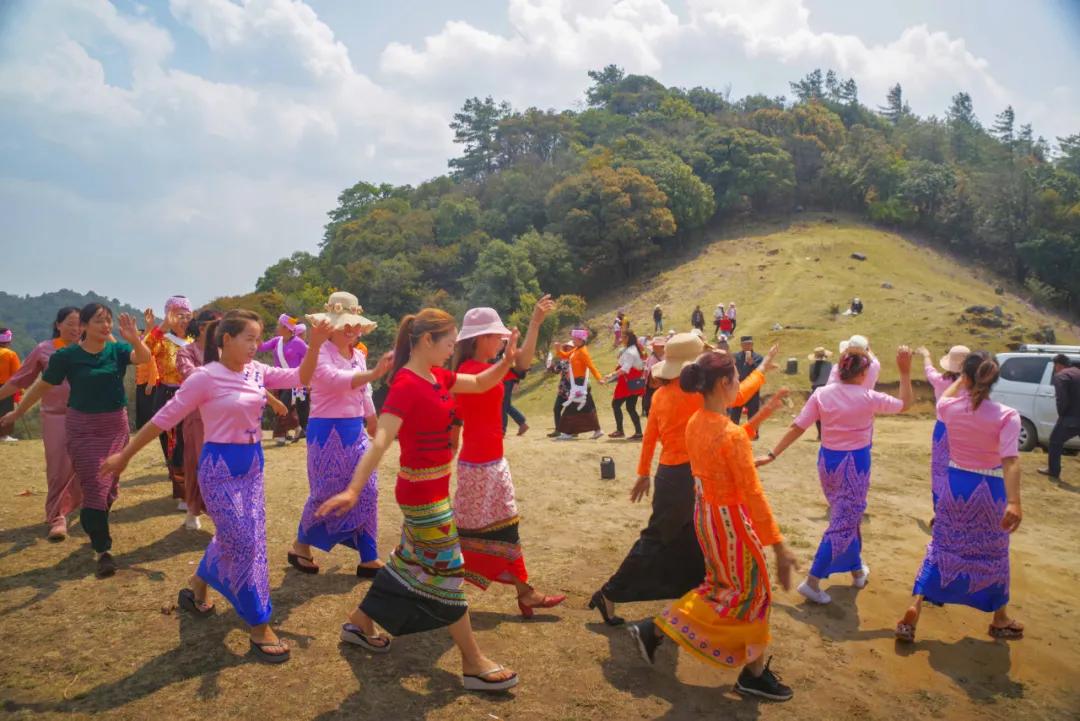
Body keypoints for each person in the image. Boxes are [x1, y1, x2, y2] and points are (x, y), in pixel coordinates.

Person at [101, 310, 329, 664]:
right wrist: (124, 456)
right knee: (245, 543)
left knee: (239, 537)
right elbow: (163, 420)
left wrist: (313, 345)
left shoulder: (257, 372)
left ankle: (197, 586)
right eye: (249, 338)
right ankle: (259, 623)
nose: (256, 346)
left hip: (252, 466)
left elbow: (302, 375)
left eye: (258, 338)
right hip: (219, 469)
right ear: (226, 340)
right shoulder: (205, 378)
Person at [316, 308, 522, 692]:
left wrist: (506, 363)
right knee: (450, 572)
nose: (451, 350)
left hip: (435, 489)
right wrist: (353, 489)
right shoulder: (407, 385)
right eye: (447, 343)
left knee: (409, 561)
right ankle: (474, 663)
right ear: (427, 341)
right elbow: (381, 439)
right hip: (421, 496)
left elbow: (477, 383)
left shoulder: (438, 375)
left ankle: (359, 622)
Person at [625, 352, 799, 703]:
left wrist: (765, 412)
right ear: (724, 384)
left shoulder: (697, 421)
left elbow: (729, 444)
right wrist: (779, 547)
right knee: (750, 594)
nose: (739, 384)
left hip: (707, 517)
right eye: (737, 378)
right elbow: (750, 490)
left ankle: (753, 673)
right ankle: (659, 630)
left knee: (725, 587)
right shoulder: (727, 433)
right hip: (731, 523)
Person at [591, 334, 779, 627]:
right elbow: (739, 395)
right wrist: (762, 369)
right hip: (685, 478)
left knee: (692, 543)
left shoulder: (661, 395)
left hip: (671, 476)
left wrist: (643, 473)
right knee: (661, 539)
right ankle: (610, 593)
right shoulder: (696, 395)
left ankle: (694, 606)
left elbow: (650, 436)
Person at [2, 304, 151, 578]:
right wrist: (18, 411)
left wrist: (134, 338)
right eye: (98, 321)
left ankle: (96, 518)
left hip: (114, 425)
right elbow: (42, 385)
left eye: (108, 321)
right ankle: (102, 550)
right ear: (83, 326)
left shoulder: (116, 351)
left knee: (108, 486)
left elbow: (143, 358)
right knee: (94, 484)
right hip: (82, 426)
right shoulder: (67, 356)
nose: (106, 326)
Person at [757, 345, 913, 604]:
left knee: (846, 516)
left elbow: (798, 426)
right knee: (843, 521)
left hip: (828, 462)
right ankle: (813, 581)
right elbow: (905, 404)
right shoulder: (868, 397)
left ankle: (856, 570)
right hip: (855, 463)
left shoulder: (822, 394)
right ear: (862, 373)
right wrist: (905, 373)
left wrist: (773, 454)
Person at [896, 351, 1024, 642]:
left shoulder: (949, 408)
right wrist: (1014, 501)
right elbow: (1010, 461)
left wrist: (962, 380)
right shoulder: (1007, 416)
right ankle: (1000, 618)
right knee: (994, 553)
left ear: (965, 377)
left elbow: (947, 398)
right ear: (994, 379)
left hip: (955, 485)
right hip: (991, 490)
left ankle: (914, 606)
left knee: (941, 545)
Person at [451, 298, 566, 617]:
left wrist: (535, 324)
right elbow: (457, 420)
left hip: (492, 462)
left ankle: (524, 591)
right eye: (496, 336)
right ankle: (430, 579)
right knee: (470, 531)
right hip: (478, 466)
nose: (501, 341)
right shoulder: (468, 372)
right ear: (479, 339)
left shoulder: (487, 369)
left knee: (502, 526)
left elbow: (521, 364)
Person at [287, 292, 393, 578]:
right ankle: (300, 546)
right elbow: (334, 382)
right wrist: (372, 374)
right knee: (325, 493)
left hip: (355, 431)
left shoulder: (358, 354)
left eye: (356, 325)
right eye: (347, 326)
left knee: (368, 489)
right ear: (331, 325)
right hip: (326, 433)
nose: (353, 331)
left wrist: (371, 417)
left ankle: (369, 556)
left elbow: (363, 391)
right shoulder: (319, 353)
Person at [0, 308, 81, 538]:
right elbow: (20, 379)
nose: (76, 329)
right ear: (58, 324)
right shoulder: (44, 349)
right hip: (55, 416)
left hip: (87, 416)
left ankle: (82, 507)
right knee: (58, 467)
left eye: (80, 324)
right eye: (70, 323)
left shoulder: (89, 348)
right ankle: (57, 517)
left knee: (85, 465)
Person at [174, 309, 224, 531]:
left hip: (224, 415)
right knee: (199, 461)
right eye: (216, 325)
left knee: (222, 462)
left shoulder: (226, 351)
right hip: (197, 415)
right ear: (202, 327)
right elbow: (190, 375)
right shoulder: (187, 351)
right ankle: (194, 509)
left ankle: (222, 510)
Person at [145, 295, 194, 503]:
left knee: (191, 442)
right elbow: (144, 349)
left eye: (186, 315)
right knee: (174, 445)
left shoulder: (194, 341)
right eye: (177, 315)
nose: (182, 319)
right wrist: (161, 326)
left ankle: (191, 486)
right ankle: (182, 490)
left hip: (193, 395)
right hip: (167, 395)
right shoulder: (162, 340)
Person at [918, 345, 968, 509]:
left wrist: (926, 354)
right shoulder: (973, 386)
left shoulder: (940, 381)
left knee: (939, 468)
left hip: (943, 428)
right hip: (965, 430)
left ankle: (939, 506)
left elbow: (929, 369)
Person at [258, 314, 310, 446]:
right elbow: (261, 347)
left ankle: (280, 435)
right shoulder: (277, 341)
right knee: (289, 408)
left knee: (284, 405)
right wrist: (256, 336)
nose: (276, 327)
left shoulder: (298, 343)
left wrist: (308, 377)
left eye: (279, 325)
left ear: (286, 328)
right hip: (278, 380)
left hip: (293, 381)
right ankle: (298, 429)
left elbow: (312, 357)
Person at [555, 328, 606, 440]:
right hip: (577, 383)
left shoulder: (583, 352)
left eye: (574, 338)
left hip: (580, 383)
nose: (572, 340)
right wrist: (558, 349)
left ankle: (567, 432)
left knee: (571, 406)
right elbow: (564, 355)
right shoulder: (576, 350)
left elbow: (591, 366)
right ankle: (597, 430)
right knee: (588, 407)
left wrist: (599, 378)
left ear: (580, 339)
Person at [1038, 353, 1080, 481]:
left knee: (1055, 441)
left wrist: (1062, 415)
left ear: (1058, 365)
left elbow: (1062, 399)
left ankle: (1053, 471)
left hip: (1070, 417)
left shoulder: (1061, 376)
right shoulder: (1078, 372)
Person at [607, 331, 646, 440]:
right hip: (633, 382)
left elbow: (625, 369)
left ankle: (620, 430)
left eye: (623, 337)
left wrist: (612, 374)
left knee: (616, 404)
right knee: (630, 408)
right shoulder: (633, 349)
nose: (621, 339)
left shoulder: (630, 351)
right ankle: (638, 432)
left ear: (628, 338)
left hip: (627, 383)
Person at [729, 336, 764, 424]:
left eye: (749, 344)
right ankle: (733, 432)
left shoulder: (758, 357)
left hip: (753, 389)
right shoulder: (735, 357)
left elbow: (761, 371)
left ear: (752, 345)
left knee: (753, 413)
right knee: (735, 414)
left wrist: (752, 364)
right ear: (741, 345)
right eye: (745, 344)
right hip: (738, 389)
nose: (747, 346)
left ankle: (753, 434)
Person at [134, 311, 159, 431]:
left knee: (148, 409)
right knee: (142, 408)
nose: (139, 337)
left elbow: (153, 366)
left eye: (140, 335)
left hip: (149, 384)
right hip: (140, 383)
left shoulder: (147, 348)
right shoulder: (137, 350)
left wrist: (151, 383)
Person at [545, 341, 573, 437]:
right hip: (563, 388)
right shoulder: (563, 360)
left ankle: (573, 430)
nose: (569, 349)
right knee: (557, 409)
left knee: (571, 410)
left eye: (571, 347)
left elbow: (564, 369)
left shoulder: (575, 360)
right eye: (567, 347)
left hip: (573, 388)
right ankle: (558, 430)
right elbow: (556, 371)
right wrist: (551, 366)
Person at [807, 346, 834, 441]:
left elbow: (811, 379)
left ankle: (820, 435)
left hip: (816, 390)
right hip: (828, 390)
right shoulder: (830, 365)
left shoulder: (812, 366)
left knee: (817, 414)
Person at [0, 328, 22, 441]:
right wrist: (20, 390)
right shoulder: (10, 354)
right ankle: (3, 435)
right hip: (6, 386)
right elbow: (17, 374)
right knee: (5, 410)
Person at [642, 336, 666, 417]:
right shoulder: (651, 357)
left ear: (662, 347)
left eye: (655, 345)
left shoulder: (667, 358)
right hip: (650, 387)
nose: (653, 347)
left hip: (661, 387)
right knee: (647, 407)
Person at [501, 368, 528, 436]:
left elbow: (515, 366)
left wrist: (516, 381)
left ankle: (502, 430)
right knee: (506, 405)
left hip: (506, 380)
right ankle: (522, 423)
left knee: (503, 405)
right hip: (503, 379)